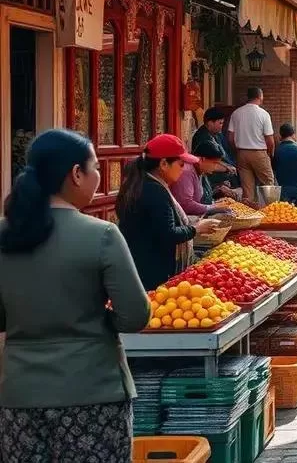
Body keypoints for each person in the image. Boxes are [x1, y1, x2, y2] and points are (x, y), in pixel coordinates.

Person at [0, 130, 150, 462]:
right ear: (76, 174)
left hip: (20, 396)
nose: (98, 176)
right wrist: (98, 320)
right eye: (95, 167)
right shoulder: (101, 235)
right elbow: (135, 315)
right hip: (93, 389)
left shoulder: (4, 235)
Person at [117, 134, 221, 289]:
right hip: (152, 269)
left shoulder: (142, 184)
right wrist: (196, 228)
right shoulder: (155, 191)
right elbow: (169, 234)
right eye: (180, 164)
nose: (183, 169)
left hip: (139, 262)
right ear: (164, 163)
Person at [228, 88, 277, 206]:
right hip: (259, 152)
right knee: (268, 185)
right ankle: (270, 214)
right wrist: (271, 154)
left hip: (241, 153)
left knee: (247, 189)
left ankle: (250, 217)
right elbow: (270, 140)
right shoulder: (263, 114)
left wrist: (237, 151)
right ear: (260, 97)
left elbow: (230, 137)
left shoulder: (236, 113)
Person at [170, 139, 236, 218]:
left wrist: (217, 195)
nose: (215, 167)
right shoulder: (187, 172)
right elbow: (186, 204)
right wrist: (213, 207)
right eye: (214, 163)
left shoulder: (201, 170)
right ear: (202, 159)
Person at [192, 106, 239, 196]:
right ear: (210, 123)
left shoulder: (217, 134)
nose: (222, 126)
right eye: (220, 123)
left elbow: (220, 157)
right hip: (211, 179)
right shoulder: (202, 138)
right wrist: (226, 168)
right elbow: (210, 162)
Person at [272, 123, 297, 205]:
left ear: (281, 135)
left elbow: (274, 168)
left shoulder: (277, 151)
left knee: (285, 215)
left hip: (282, 190)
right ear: (293, 134)